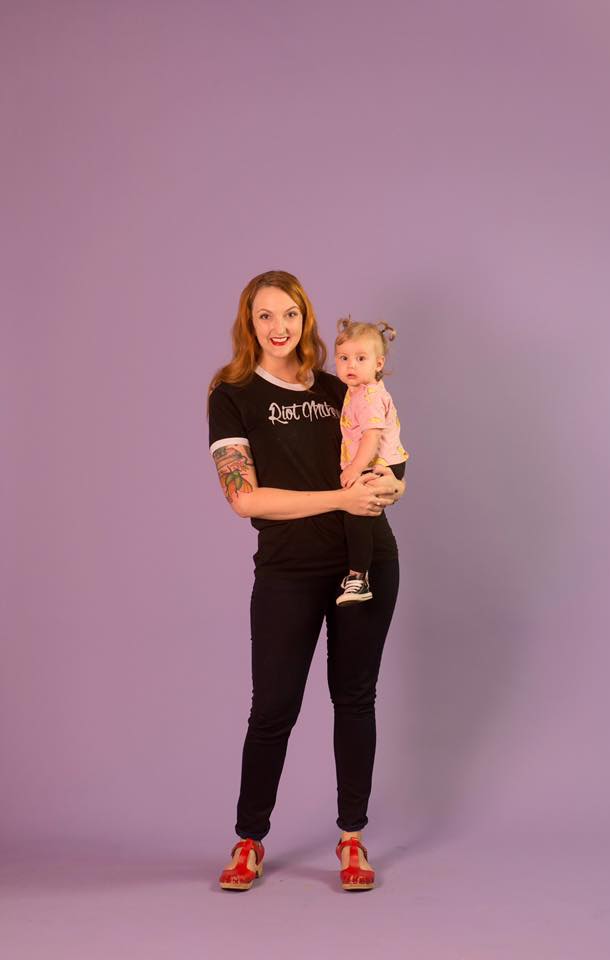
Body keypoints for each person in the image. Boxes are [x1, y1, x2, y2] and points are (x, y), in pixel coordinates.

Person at [207, 270, 406, 892]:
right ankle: (249, 840)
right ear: (249, 323)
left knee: (355, 699)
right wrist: (339, 499)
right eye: (265, 315)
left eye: (289, 314)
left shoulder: (339, 384)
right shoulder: (233, 393)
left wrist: (394, 486)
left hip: (365, 559)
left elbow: (385, 457)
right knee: (273, 708)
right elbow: (244, 499)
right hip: (288, 570)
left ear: (306, 319)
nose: (279, 327)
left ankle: (352, 838)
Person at [334, 316, 409, 606]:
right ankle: (359, 575)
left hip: (380, 463)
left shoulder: (368, 397)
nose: (350, 365)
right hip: (381, 462)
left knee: (358, 516)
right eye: (343, 358)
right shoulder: (357, 391)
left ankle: (358, 578)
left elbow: (371, 436)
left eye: (360, 358)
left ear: (378, 363)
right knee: (360, 516)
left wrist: (353, 468)